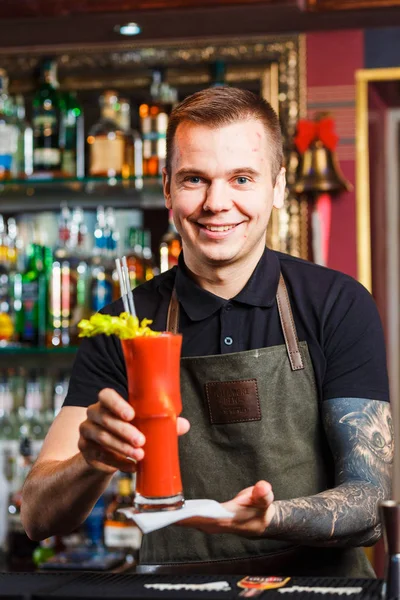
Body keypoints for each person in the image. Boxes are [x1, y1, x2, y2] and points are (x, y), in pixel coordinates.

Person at [21, 87, 392, 577]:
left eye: (242, 178)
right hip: (177, 591)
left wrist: (270, 517)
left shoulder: (337, 304)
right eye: (195, 178)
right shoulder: (125, 324)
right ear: (168, 188)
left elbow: (369, 507)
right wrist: (92, 459)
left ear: (277, 187)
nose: (218, 202)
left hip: (321, 589)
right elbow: (37, 518)